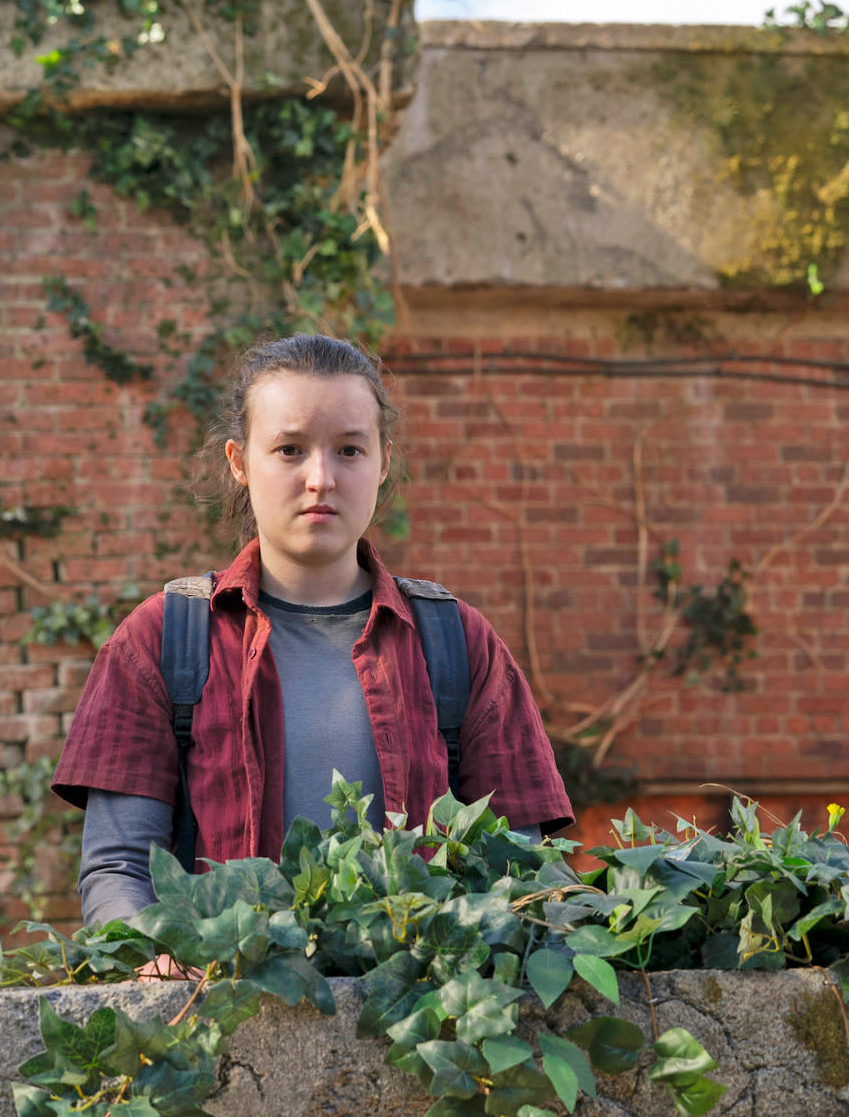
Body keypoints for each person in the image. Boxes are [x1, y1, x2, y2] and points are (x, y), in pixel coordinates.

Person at [54, 334, 572, 930]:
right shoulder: (161, 641)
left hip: (420, 1014)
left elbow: (526, 871)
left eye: (350, 450)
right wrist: (158, 966)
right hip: (225, 1009)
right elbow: (119, 869)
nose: (321, 478)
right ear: (239, 462)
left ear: (382, 462)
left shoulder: (458, 644)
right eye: (290, 449)